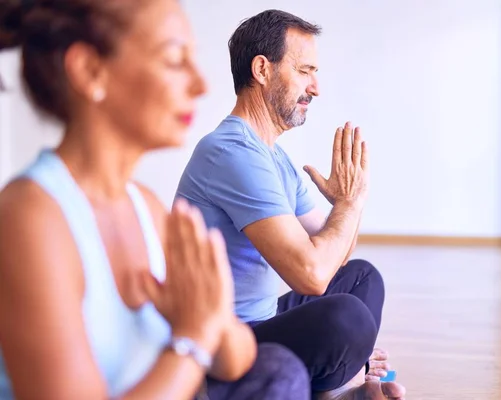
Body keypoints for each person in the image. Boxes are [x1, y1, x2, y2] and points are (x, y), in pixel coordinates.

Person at [0, 1, 310, 399]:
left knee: (278, 371)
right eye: (174, 59)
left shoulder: (144, 206)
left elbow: (236, 358)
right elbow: (199, 347)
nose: (200, 85)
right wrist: (193, 337)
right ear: (90, 70)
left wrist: (210, 310)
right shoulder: (31, 218)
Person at [175, 8, 406, 400]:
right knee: (346, 320)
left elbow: (338, 258)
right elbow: (312, 276)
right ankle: (335, 387)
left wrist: (351, 201)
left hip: (262, 320)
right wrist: (347, 205)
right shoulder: (232, 152)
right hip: (224, 343)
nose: (315, 87)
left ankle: (329, 386)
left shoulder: (272, 157)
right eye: (305, 71)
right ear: (262, 69)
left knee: (363, 278)